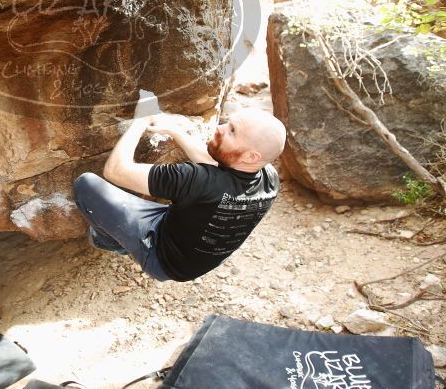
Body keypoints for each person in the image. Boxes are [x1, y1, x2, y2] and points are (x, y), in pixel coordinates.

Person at [72, 98, 287, 282]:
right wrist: (174, 130)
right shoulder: (269, 178)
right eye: (227, 123)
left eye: (232, 131)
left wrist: (141, 119)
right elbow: (213, 162)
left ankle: (113, 242)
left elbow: (116, 170)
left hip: (161, 258)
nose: (220, 128)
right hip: (191, 255)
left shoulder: (198, 180)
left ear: (251, 157)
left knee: (86, 185)